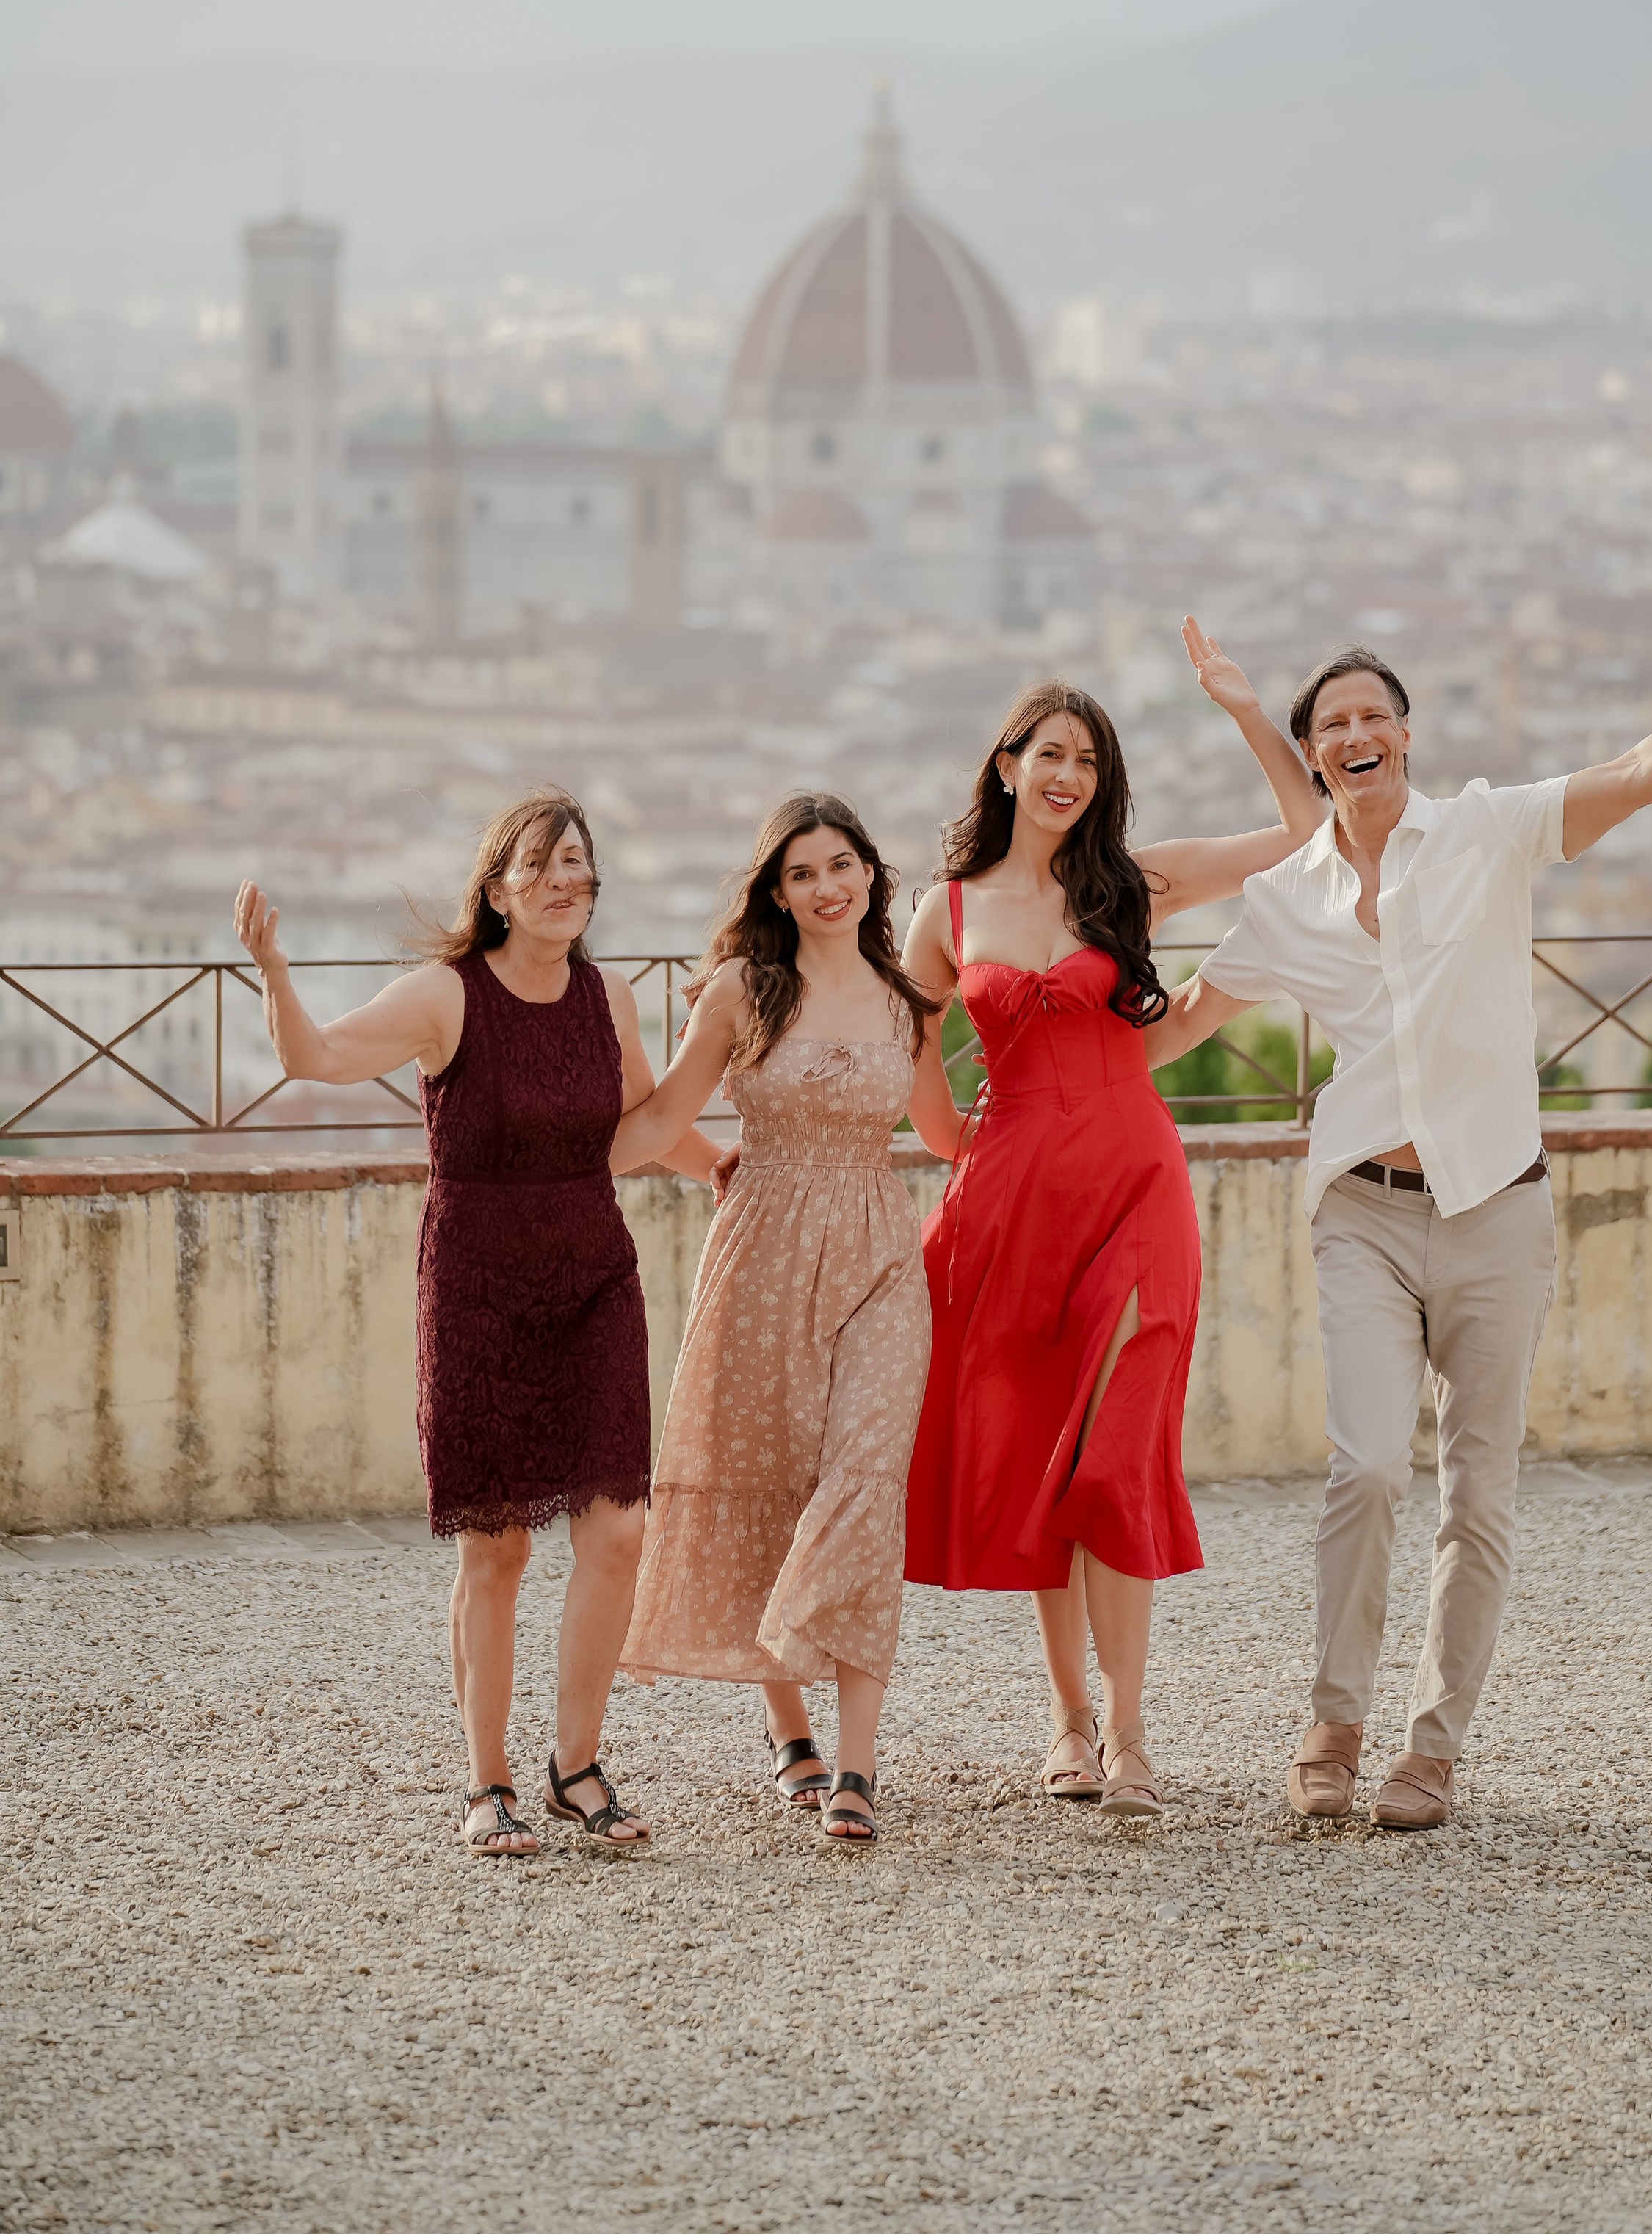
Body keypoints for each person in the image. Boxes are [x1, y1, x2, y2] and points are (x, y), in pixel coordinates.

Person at [1145, 574, 1652, 1831]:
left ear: (1406, 737)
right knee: (1367, 1465)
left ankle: (1431, 1750)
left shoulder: (1486, 831)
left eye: (1373, 716)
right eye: (1329, 726)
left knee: (1479, 1494)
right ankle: (1333, 1719)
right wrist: (1032, 995)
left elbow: (1643, 771)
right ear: (1313, 758)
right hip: (1363, 1213)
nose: (1354, 736)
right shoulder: (1284, 902)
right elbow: (1174, 1032)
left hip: (1497, 1206)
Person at [233, 788, 720, 1857]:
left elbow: (635, 1129)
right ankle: (486, 1781)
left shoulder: (613, 998)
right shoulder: (443, 998)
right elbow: (311, 1059)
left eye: (579, 863)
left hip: (595, 1278)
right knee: (495, 1551)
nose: (564, 881)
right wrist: (274, 975)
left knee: (621, 1530)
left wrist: (719, 1156)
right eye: (541, 864)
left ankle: (576, 1767)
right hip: (479, 1292)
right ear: (497, 887)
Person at [900, 621, 1323, 1818]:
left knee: (1115, 1449)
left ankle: (1134, 1734)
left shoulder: (1129, 883)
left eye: (1087, 758)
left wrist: (1245, 709)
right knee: (1049, 1455)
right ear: (1006, 765)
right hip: (1011, 1197)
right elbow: (907, 1042)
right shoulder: (947, 907)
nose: (1068, 773)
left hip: (1134, 1178)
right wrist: (952, 1146)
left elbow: (1303, 835)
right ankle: (1072, 1726)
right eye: (1049, 752)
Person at [613, 795, 960, 1843]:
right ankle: (790, 1731)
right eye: (803, 872)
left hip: (880, 1252)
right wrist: (529, 1125)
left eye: (842, 864)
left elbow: (945, 1130)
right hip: (761, 1252)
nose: (827, 886)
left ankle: (855, 1769)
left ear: (870, 875)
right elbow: (663, 1121)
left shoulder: (909, 1001)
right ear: (777, 889)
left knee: (863, 1480)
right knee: (773, 1481)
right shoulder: (741, 990)